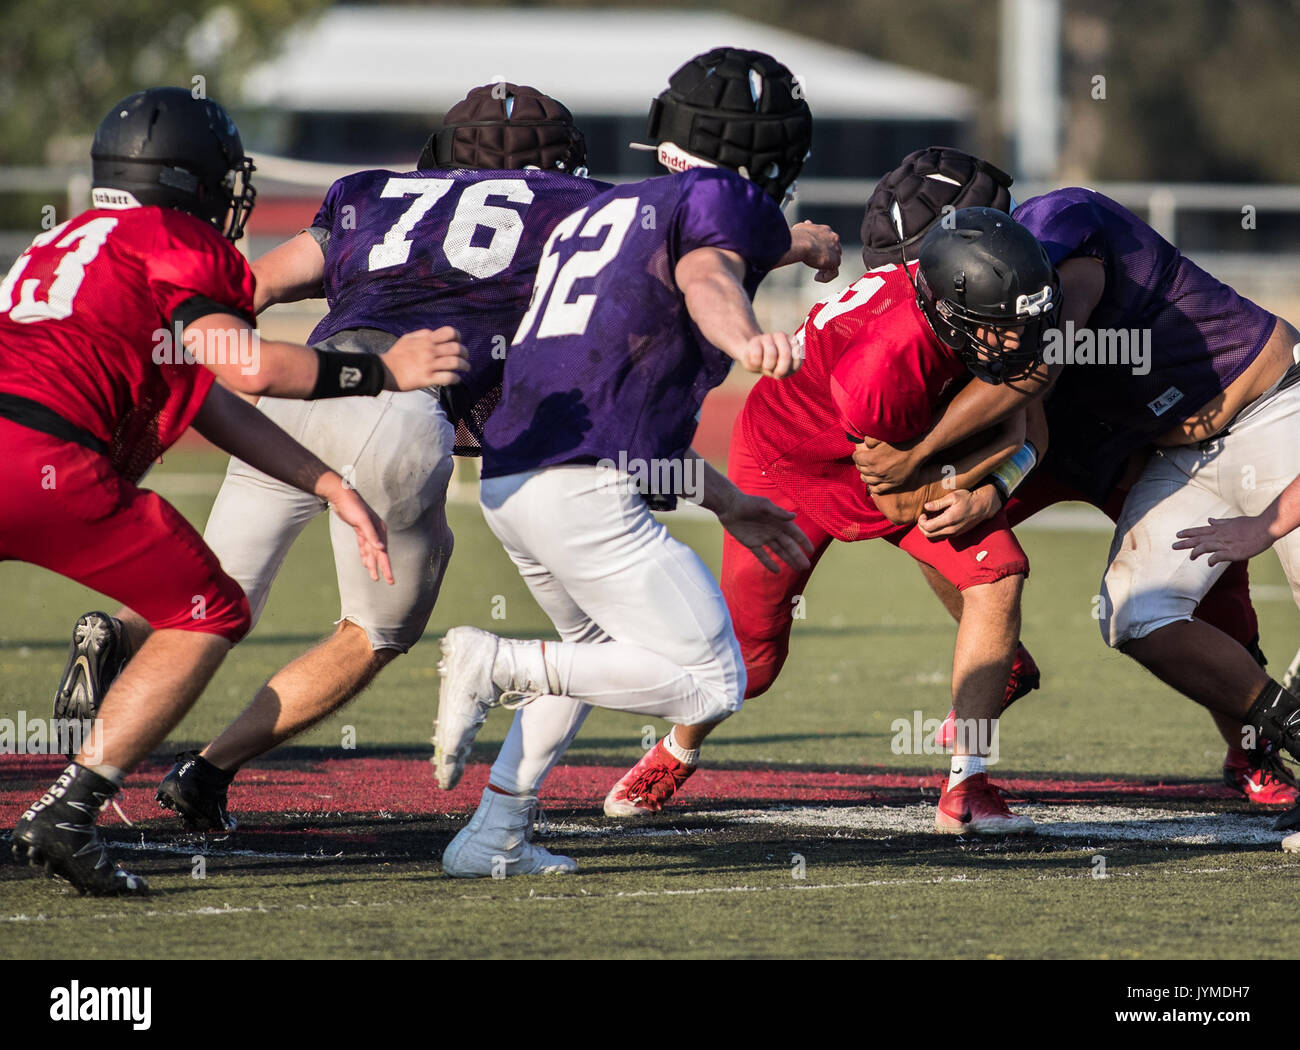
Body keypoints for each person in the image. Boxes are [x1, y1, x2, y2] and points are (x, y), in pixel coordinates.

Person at [52, 83, 606, 832]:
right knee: (375, 632)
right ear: (562, 164)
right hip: (401, 410)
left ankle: (117, 633)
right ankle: (208, 770)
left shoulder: (371, 194)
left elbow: (254, 289)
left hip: (296, 396)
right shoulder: (580, 209)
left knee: (207, 592)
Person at [4, 87, 466, 895]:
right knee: (209, 609)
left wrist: (324, 480)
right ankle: (69, 812)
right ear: (192, 180)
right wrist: (383, 370)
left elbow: (212, 398)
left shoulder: (66, 241)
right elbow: (248, 366)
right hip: (48, 456)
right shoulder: (178, 241)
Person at [431, 47, 835, 877]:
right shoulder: (718, 201)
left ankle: (494, 833)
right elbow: (709, 273)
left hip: (512, 480)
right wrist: (744, 336)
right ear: (768, 149)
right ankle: (494, 662)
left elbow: (637, 421)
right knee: (713, 681)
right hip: (583, 489)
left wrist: (727, 502)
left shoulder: (607, 211)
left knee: (594, 650)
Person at [854, 185, 1300, 814]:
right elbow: (1023, 413)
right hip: (1130, 440)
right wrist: (972, 484)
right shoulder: (965, 309)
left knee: (1218, 596)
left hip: (1243, 413)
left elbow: (1036, 367)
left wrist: (920, 450)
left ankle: (1251, 749)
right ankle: (1001, 670)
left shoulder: (1062, 229)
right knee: (931, 514)